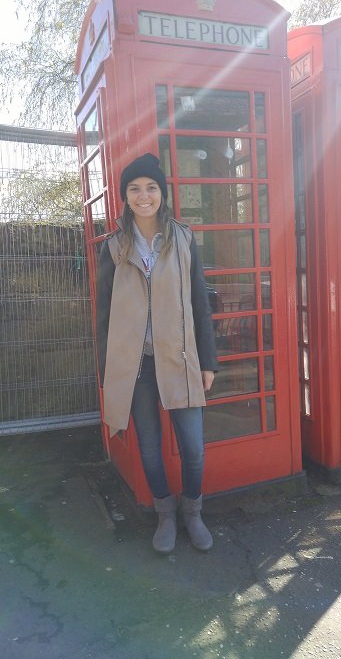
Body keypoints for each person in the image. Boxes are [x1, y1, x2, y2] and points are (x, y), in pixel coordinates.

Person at [96, 152, 218, 554]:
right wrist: (106, 372)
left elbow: (199, 301)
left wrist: (209, 360)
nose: (143, 196)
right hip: (134, 366)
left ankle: (193, 513)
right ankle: (165, 515)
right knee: (148, 445)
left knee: (194, 448)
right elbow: (104, 316)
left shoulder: (183, 237)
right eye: (134, 189)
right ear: (125, 197)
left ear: (161, 194)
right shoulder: (113, 247)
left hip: (180, 358)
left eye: (151, 188)